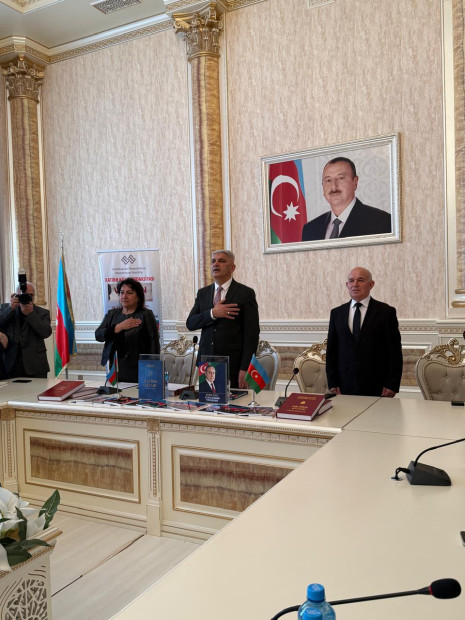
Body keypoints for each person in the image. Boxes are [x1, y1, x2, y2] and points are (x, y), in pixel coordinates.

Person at [186, 250, 260, 389]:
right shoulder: (203, 293)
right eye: (213, 261)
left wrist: (245, 367)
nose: (216, 264)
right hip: (206, 364)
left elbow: (252, 334)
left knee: (234, 402)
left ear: (232, 267)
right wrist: (212, 313)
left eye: (221, 261)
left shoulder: (245, 293)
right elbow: (190, 323)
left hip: (233, 365)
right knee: (207, 401)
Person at [326, 267, 403, 397]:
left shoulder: (386, 312)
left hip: (377, 385)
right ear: (347, 285)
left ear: (371, 284)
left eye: (360, 280)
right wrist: (332, 382)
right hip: (345, 384)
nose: (355, 284)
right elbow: (331, 351)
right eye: (351, 281)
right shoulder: (337, 313)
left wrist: (392, 384)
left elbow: (394, 351)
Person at [301, 157, 391, 241]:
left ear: (355, 182)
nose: (334, 186)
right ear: (323, 186)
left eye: (341, 178)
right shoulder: (310, 229)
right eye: (328, 180)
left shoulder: (382, 222)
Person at [95, 278, 160, 383]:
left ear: (138, 297)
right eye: (122, 293)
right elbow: (98, 335)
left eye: (129, 293)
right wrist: (118, 327)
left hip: (139, 370)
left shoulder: (146, 314)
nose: (124, 296)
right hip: (116, 370)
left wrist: (153, 369)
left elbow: (154, 343)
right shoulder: (112, 314)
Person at [0, 282, 52, 378]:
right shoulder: (4, 308)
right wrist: (10, 309)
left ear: (34, 296)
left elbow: (46, 332)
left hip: (35, 365)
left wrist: (31, 314)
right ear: (16, 295)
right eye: (23, 295)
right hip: (10, 364)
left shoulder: (42, 312)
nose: (27, 297)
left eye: (31, 295)